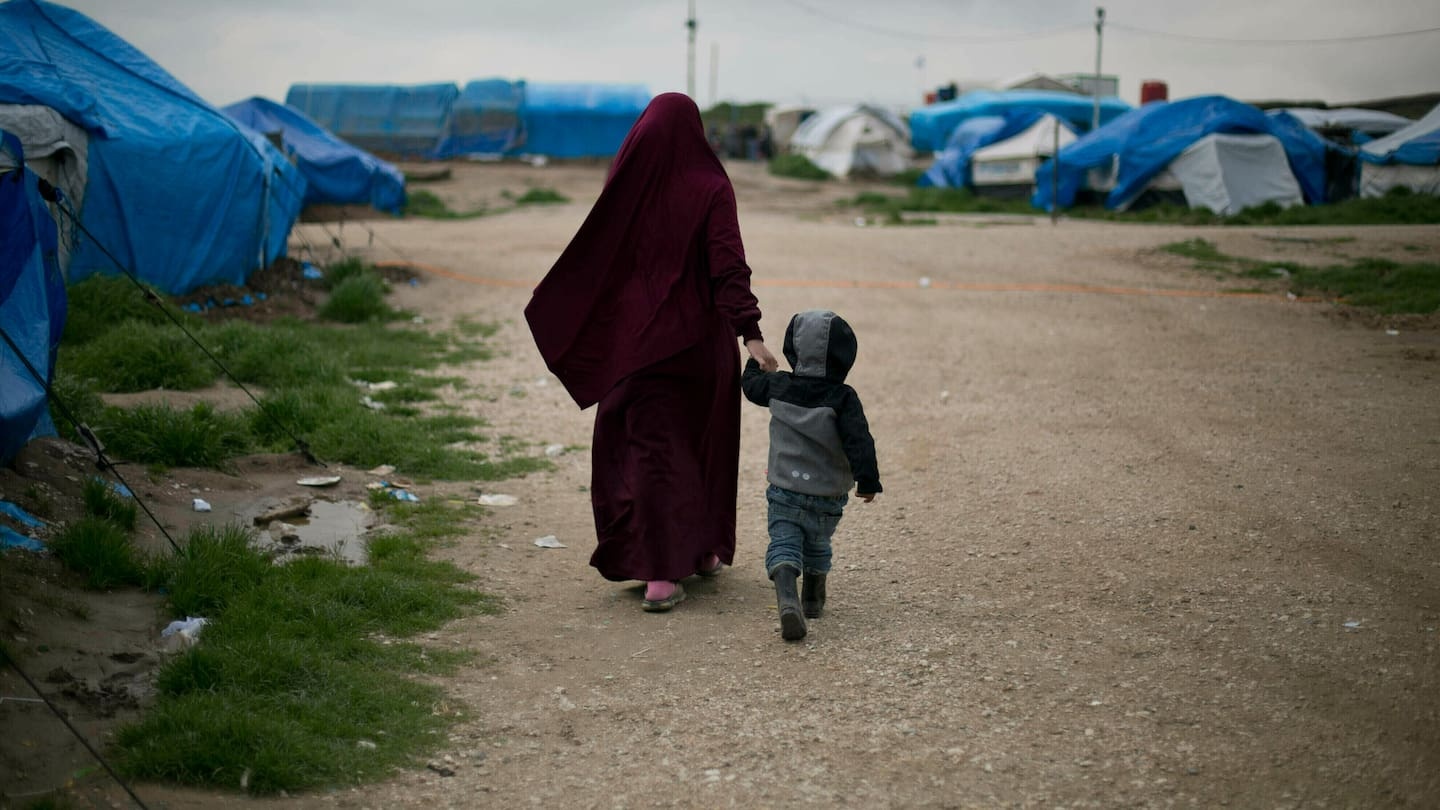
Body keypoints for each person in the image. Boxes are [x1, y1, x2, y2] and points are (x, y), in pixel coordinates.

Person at [524, 93, 779, 613]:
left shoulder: (627, 186)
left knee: (647, 456)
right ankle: (702, 551)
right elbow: (728, 263)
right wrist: (750, 334)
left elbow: (596, 261)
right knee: (701, 447)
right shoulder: (711, 185)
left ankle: (661, 573)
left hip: (635, 348)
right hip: (700, 349)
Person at [740, 310, 882, 641]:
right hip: (828, 493)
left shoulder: (779, 385)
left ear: (793, 350)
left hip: (784, 488)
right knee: (818, 542)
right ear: (845, 354)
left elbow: (750, 387)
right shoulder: (844, 398)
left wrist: (757, 363)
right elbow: (859, 441)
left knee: (785, 540)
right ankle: (814, 597)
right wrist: (868, 481)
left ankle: (787, 592)